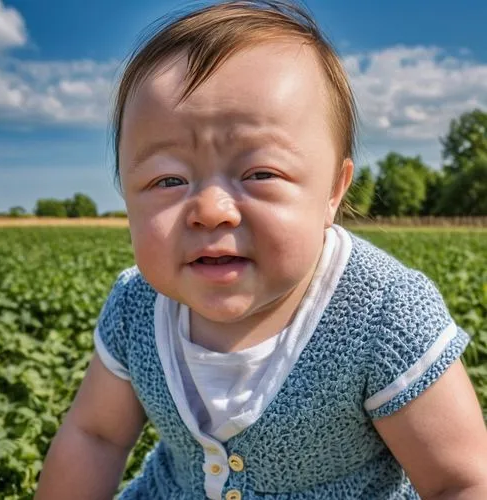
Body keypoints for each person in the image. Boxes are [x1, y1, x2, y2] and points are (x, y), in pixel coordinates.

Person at [35, 1, 487, 498]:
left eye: (260, 174)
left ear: (333, 192)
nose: (211, 209)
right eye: (168, 179)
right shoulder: (136, 309)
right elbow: (95, 436)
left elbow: (459, 480)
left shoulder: (382, 315)